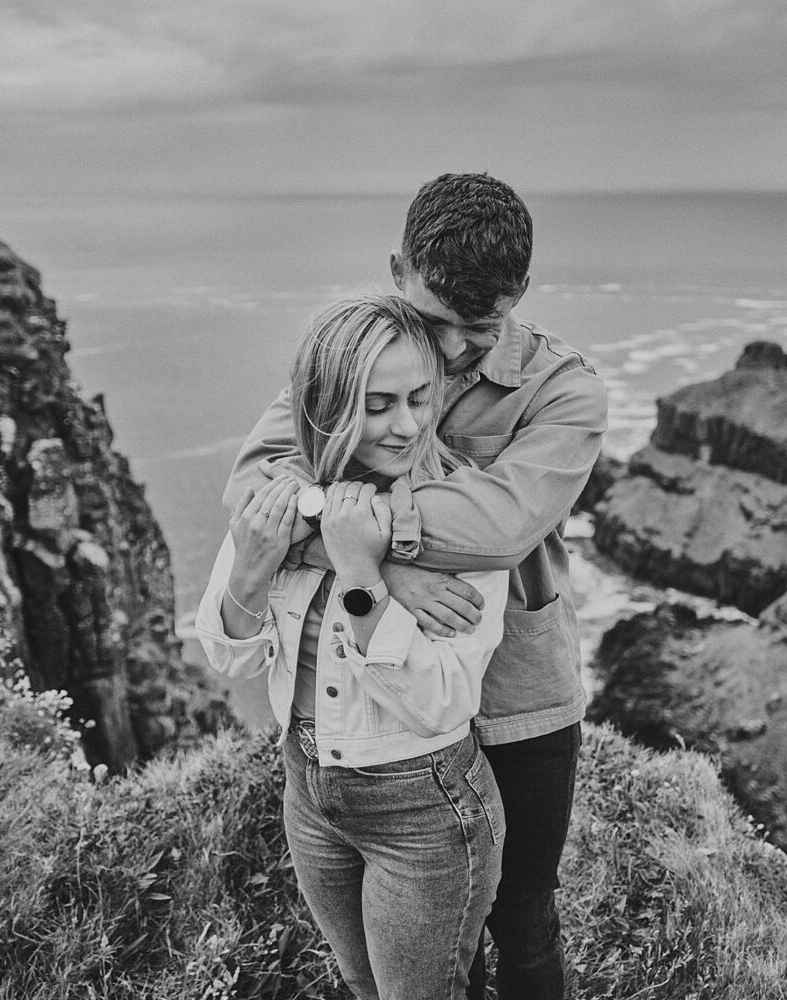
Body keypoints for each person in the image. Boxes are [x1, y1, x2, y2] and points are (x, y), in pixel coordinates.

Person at [224, 173, 608, 1000]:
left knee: (525, 919)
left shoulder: (565, 390)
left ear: (523, 294)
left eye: (484, 325)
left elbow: (504, 525)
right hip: (387, 703)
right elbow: (254, 482)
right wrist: (374, 558)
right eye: (440, 322)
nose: (460, 347)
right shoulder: (361, 353)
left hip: (517, 688)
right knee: (435, 942)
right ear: (399, 270)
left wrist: (356, 532)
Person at [196, 295, 508, 1000]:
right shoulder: (280, 499)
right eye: (377, 404)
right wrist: (251, 562)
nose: (405, 425)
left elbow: (442, 701)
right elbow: (230, 655)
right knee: (362, 985)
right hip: (308, 788)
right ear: (326, 407)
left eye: (420, 398)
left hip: (424, 807)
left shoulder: (465, 516)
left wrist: (364, 574)